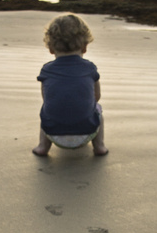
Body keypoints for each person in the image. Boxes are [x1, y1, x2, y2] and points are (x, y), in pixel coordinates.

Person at [33, 14, 108, 157]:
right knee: (98, 109)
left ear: (51, 49)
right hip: (87, 133)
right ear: (85, 47)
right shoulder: (90, 68)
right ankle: (99, 147)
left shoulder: (46, 70)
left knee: (46, 109)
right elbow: (96, 97)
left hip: (53, 133)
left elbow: (46, 98)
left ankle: (43, 147)